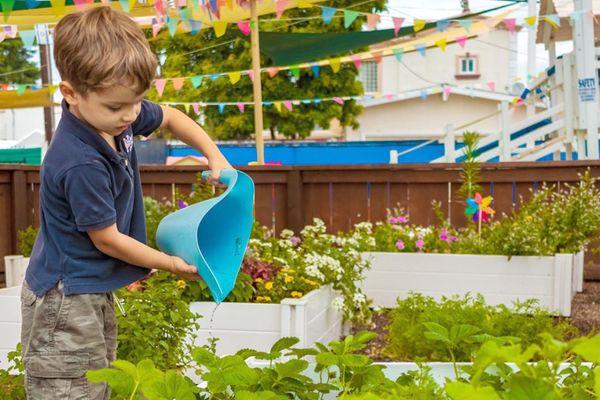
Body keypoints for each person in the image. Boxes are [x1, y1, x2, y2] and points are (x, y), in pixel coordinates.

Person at [20, 6, 231, 399]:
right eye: (117, 107)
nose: (131, 115)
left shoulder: (118, 115)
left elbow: (171, 116)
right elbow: (108, 239)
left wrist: (214, 156)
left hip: (90, 288)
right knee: (70, 391)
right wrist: (168, 264)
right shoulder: (79, 161)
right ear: (71, 94)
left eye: (137, 102)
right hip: (65, 299)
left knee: (99, 383)